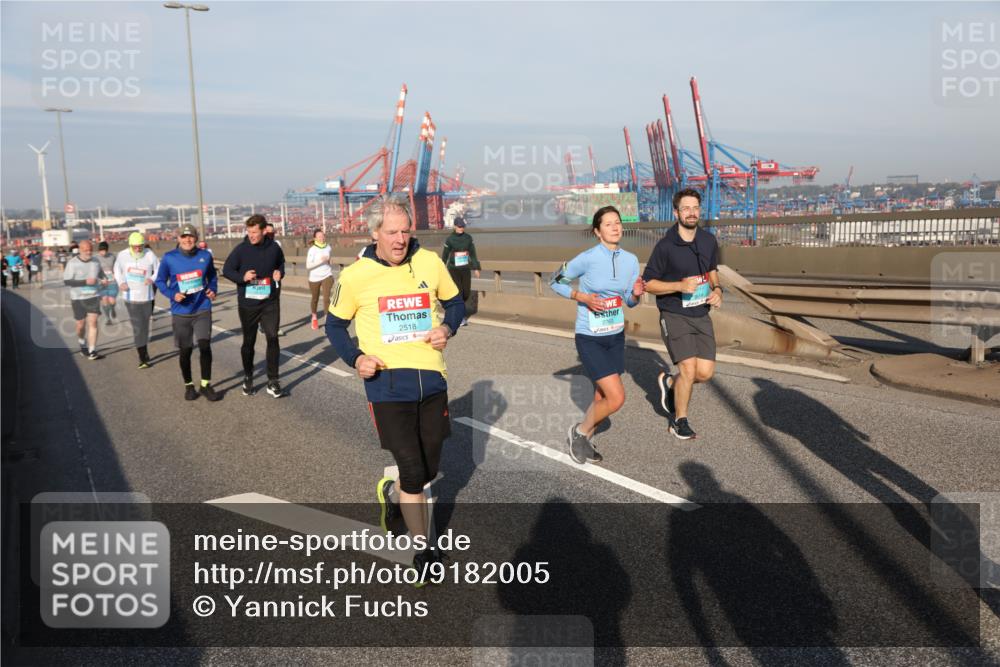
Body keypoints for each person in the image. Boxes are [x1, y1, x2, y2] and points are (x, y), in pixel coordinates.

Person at [325, 194, 465, 583]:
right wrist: (356, 359)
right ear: (374, 234)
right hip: (386, 385)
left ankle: (392, 493)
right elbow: (334, 326)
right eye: (392, 232)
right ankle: (423, 549)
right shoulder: (355, 276)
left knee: (430, 468)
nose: (400, 239)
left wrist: (446, 328)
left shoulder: (430, 262)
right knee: (413, 468)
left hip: (432, 379)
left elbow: (456, 304)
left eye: (406, 231)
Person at [550, 205, 643, 464]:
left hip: (614, 336)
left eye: (618, 223)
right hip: (589, 336)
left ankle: (586, 439)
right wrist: (581, 296)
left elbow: (630, 301)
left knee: (602, 395)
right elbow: (554, 281)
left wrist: (635, 293)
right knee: (617, 397)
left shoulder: (631, 260)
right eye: (608, 224)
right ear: (597, 231)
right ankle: (579, 432)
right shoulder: (587, 258)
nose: (615, 227)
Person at [642, 188, 722, 440]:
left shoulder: (708, 241)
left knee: (705, 373)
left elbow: (712, 270)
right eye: (686, 208)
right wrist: (678, 286)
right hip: (674, 313)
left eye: (695, 207)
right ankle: (679, 420)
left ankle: (669, 384)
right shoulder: (665, 246)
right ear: (676, 212)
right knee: (688, 369)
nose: (691, 212)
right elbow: (648, 283)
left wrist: (718, 289)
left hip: (701, 313)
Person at [222, 214, 287, 398]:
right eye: (249, 232)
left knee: (273, 338)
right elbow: (227, 270)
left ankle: (273, 380)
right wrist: (242, 278)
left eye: (255, 232)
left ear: (264, 230)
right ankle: (248, 377)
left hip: (270, 302)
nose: (251, 235)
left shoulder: (274, 247)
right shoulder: (241, 250)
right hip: (248, 303)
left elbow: (281, 263)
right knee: (248, 342)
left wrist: (279, 273)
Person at [155, 224, 221, 401]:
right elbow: (160, 281)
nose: (187, 240)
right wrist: (172, 294)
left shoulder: (205, 256)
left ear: (196, 238)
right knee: (186, 351)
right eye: (184, 237)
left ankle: (206, 384)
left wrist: (213, 289)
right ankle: (189, 385)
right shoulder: (169, 258)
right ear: (178, 239)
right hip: (181, 312)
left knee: (205, 346)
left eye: (190, 237)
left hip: (202, 308)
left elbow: (212, 277)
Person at [114, 232, 159, 368]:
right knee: (138, 326)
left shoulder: (150, 254)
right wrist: (121, 282)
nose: (138, 249)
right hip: (130, 296)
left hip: (147, 296)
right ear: (130, 245)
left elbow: (159, 269)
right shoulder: (122, 255)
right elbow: (117, 270)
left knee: (144, 325)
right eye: (135, 247)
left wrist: (152, 278)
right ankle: (142, 357)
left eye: (140, 246)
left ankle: (143, 349)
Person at [62, 239, 107, 360]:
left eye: (90, 250)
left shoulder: (96, 261)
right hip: (78, 298)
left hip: (93, 296)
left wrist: (104, 279)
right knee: (80, 325)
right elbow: (67, 281)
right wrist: (85, 281)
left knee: (93, 322)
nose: (89, 252)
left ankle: (92, 350)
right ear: (80, 250)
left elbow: (101, 273)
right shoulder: (72, 263)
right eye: (86, 250)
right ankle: (82, 343)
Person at [440, 216, 481, 327]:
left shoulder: (468, 238)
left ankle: (458, 311)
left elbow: (472, 253)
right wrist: (441, 267)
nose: (461, 228)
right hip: (453, 269)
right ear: (454, 226)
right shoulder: (450, 239)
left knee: (466, 292)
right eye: (459, 226)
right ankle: (461, 317)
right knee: (459, 292)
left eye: (462, 226)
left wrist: (476, 267)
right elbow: (445, 255)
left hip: (465, 268)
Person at [306, 228, 333, 330]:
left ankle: (327, 320)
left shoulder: (328, 247)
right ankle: (314, 317)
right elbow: (308, 266)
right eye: (319, 237)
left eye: (323, 236)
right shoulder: (312, 250)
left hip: (327, 275)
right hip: (314, 278)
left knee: (326, 299)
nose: (322, 238)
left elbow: (329, 259)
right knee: (315, 299)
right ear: (315, 238)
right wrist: (321, 261)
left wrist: (330, 261)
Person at [96, 241, 118, 325]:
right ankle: (108, 319)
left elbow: (117, 268)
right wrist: (99, 280)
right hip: (101, 283)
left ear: (107, 250)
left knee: (112, 301)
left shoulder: (112, 257)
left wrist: (116, 274)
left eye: (104, 250)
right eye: (101, 250)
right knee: (104, 301)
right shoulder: (95, 258)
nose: (103, 252)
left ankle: (112, 308)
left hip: (112, 282)